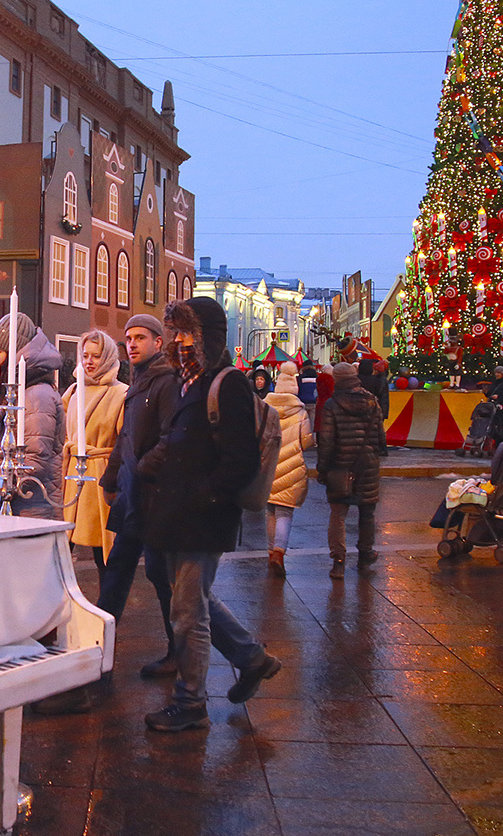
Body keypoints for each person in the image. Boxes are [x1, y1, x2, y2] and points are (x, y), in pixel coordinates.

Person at [139, 296, 281, 732]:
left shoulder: (227, 383)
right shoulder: (188, 383)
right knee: (195, 603)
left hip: (202, 519)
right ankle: (251, 659)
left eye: (186, 334)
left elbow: (238, 462)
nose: (177, 342)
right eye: (174, 333)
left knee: (187, 614)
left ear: (205, 338)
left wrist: (204, 496)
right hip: (177, 515)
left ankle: (191, 703)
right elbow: (178, 441)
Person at [98, 314, 179, 678]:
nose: (131, 344)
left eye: (140, 337)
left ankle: (179, 651)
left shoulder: (165, 382)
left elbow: (170, 438)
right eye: (128, 338)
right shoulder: (139, 381)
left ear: (158, 342)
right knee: (116, 571)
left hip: (156, 498)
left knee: (163, 578)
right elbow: (125, 438)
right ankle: (99, 648)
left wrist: (142, 469)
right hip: (133, 496)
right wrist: (111, 479)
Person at [0, 312, 66, 519]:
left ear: (15, 353)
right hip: (17, 502)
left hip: (33, 505)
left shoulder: (37, 395)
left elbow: (34, 458)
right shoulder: (17, 393)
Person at [61, 330, 126, 569]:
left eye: (95, 356)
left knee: (102, 551)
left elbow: (122, 440)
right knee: (64, 546)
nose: (89, 361)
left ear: (107, 357)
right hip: (72, 472)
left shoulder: (120, 393)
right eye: (85, 355)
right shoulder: (73, 392)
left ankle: (107, 602)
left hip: (100, 472)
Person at [316, 361, 385, 580]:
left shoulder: (332, 405)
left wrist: (323, 469)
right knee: (367, 513)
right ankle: (365, 554)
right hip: (369, 465)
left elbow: (326, 442)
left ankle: (338, 561)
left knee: (338, 515)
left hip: (341, 466)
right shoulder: (372, 401)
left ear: (336, 380)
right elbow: (381, 438)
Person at [265, 362, 314, 579]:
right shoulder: (300, 411)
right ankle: (279, 553)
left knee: (270, 512)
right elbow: (307, 442)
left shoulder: (265, 408)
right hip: (292, 466)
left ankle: (270, 554)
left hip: (268, 467)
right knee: (285, 512)